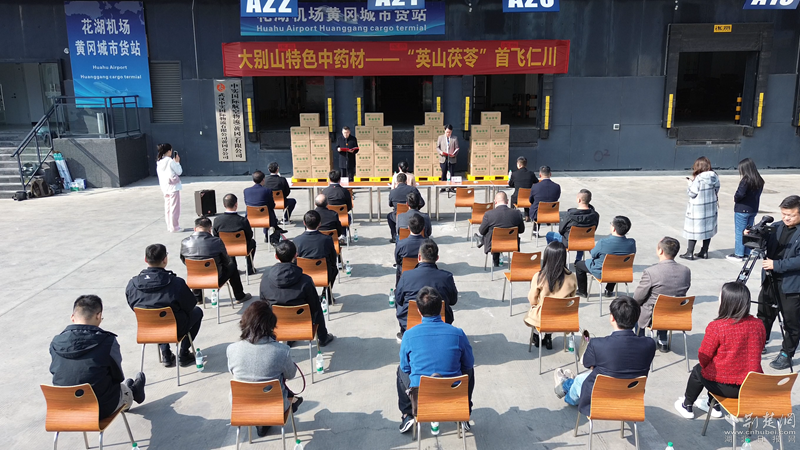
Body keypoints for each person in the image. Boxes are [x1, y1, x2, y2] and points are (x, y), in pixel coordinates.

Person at [674, 282, 765, 419]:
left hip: (724, 387)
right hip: (750, 386)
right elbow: (759, 347)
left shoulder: (717, 326)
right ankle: (712, 404)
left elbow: (704, 356)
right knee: (716, 368)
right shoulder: (758, 324)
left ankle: (687, 405)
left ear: (726, 302)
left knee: (699, 370)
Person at [553, 297, 655, 417]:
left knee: (581, 379)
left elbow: (586, 363)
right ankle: (567, 383)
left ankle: (566, 386)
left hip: (599, 397)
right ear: (637, 318)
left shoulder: (598, 344)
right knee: (586, 378)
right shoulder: (649, 344)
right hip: (630, 398)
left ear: (612, 318)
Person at [50, 295, 146, 419]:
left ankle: (131, 390)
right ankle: (132, 392)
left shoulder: (55, 342)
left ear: (72, 317)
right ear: (98, 316)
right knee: (121, 390)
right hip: (99, 409)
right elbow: (117, 376)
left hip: (66, 409)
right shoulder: (107, 341)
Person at [396, 287, 474, 433]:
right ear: (441, 308)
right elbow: (468, 363)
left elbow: (405, 367)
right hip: (452, 392)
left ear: (419, 311)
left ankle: (408, 414)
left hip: (421, 395)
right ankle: (464, 411)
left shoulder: (409, 335)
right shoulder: (458, 334)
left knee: (400, 370)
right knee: (469, 370)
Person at [227, 301, 303, 437]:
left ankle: (261, 424)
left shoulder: (232, 349)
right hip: (273, 407)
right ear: (271, 324)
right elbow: (291, 374)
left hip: (241, 407)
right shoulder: (281, 351)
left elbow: (232, 371)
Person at [126, 243, 205, 367]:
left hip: (148, 328)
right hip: (174, 328)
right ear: (165, 260)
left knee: (155, 314)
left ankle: (166, 354)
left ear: (146, 259)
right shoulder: (176, 283)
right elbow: (190, 305)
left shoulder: (132, 284)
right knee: (197, 312)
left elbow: (133, 307)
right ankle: (184, 353)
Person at [259, 240, 335, 347]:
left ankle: (286, 339)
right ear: (296, 255)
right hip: (303, 326)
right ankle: (323, 338)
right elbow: (315, 308)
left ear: (276, 256)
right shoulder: (305, 281)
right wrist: (322, 335)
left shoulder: (265, 280)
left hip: (276, 327)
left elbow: (263, 307)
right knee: (316, 307)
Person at [756, 195, 800, 370]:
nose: (786, 218)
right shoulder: (776, 227)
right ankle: (760, 342)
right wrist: (753, 235)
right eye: (783, 214)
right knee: (764, 314)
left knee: (791, 321)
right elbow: (761, 243)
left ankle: (786, 353)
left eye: (791, 215)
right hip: (770, 280)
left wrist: (777, 265)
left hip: (792, 285)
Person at [632, 237, 692, 352]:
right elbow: (685, 288)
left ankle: (640, 340)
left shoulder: (651, 272)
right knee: (667, 302)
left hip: (654, 316)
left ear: (660, 251)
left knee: (635, 305)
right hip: (676, 314)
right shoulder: (686, 270)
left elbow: (638, 297)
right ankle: (662, 340)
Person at [395, 240, 458, 342]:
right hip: (441, 321)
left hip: (410, 321)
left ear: (419, 257)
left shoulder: (406, 276)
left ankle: (404, 332)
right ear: (437, 258)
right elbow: (453, 301)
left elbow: (399, 299)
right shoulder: (446, 277)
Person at [180, 217, 252, 304]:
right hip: (215, 278)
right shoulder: (217, 241)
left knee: (195, 267)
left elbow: (183, 260)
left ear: (195, 229)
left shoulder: (185, 242)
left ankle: (197, 297)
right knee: (232, 265)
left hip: (194, 278)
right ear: (210, 229)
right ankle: (240, 296)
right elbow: (226, 260)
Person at [525, 242, 578, 349]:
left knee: (534, 311)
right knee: (553, 310)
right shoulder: (572, 276)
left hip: (543, 316)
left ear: (547, 257)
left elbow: (532, 298)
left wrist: (535, 305)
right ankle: (548, 337)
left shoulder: (539, 276)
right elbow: (572, 297)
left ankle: (536, 335)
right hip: (562, 315)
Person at [575, 216, 636, 298]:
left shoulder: (603, 242)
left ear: (614, 229)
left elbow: (593, 254)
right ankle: (609, 290)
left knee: (579, 265)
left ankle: (582, 291)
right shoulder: (631, 243)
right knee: (617, 263)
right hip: (620, 272)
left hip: (602, 272)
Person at [293, 210, 339, 302]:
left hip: (303, 274)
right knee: (334, 269)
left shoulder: (297, 240)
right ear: (319, 224)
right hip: (324, 274)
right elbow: (333, 258)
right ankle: (327, 294)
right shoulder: (327, 239)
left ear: (304, 223)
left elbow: (294, 261)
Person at [681, 156, 720, 260]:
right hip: (710, 207)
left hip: (697, 209)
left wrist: (690, 184)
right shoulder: (714, 176)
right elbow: (717, 189)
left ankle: (689, 252)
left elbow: (692, 193)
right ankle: (704, 251)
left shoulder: (698, 178)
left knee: (693, 230)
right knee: (708, 229)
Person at [546, 189, 599, 263]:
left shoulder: (569, 215)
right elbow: (594, 229)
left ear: (579, 200)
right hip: (585, 241)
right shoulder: (595, 215)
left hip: (569, 242)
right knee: (582, 234)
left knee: (549, 235)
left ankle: (553, 259)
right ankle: (578, 260)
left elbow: (561, 230)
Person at [727, 158, 765, 261]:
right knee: (749, 232)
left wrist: (735, 198)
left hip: (742, 209)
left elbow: (740, 194)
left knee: (740, 232)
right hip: (753, 209)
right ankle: (747, 253)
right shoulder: (759, 180)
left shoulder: (745, 180)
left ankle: (739, 254)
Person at [474, 191, 525, 267]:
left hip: (494, 245)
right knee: (493, 233)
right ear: (507, 201)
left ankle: (495, 260)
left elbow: (481, 231)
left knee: (490, 232)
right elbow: (521, 230)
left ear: (495, 201)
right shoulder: (517, 213)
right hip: (512, 244)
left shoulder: (489, 214)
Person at [212, 194, 256, 275]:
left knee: (225, 243)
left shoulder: (217, 220)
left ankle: (233, 269)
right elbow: (249, 235)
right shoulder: (243, 220)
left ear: (224, 205)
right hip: (242, 247)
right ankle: (249, 268)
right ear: (236, 204)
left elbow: (215, 236)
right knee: (252, 242)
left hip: (225, 249)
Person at [243, 170, 285, 244]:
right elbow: (272, 205)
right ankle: (272, 231)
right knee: (267, 210)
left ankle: (271, 231)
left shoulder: (246, 191)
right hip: (266, 218)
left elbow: (247, 203)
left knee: (265, 210)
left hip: (250, 218)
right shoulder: (267, 190)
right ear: (263, 180)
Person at [387, 173, 425, 243]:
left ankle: (394, 236)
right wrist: (415, 208)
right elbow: (422, 203)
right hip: (414, 215)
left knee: (389, 216)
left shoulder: (393, 192)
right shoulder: (413, 189)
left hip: (397, 216)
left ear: (397, 182)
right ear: (406, 181)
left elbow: (390, 204)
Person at [155, 143, 183, 232]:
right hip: (173, 187)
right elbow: (179, 172)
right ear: (168, 151)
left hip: (165, 187)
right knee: (175, 208)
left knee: (168, 208)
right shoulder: (170, 161)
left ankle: (170, 226)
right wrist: (177, 162)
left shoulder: (159, 162)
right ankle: (175, 227)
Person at [394, 215, 427, 286]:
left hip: (405, 271)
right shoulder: (428, 243)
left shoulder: (401, 243)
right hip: (424, 272)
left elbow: (397, 259)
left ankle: (398, 286)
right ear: (423, 228)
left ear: (408, 228)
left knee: (398, 266)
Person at [528, 165, 561, 234]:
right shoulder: (557, 186)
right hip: (552, 213)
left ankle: (535, 231)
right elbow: (556, 198)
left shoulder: (535, 186)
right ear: (550, 174)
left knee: (536, 206)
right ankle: (548, 221)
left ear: (540, 175)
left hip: (537, 214)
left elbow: (531, 200)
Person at [436, 124, 459, 191]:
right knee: (443, 172)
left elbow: (457, 148)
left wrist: (454, 154)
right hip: (443, 158)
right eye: (447, 132)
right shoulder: (440, 138)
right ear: (444, 130)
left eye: (449, 132)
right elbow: (437, 147)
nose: (448, 133)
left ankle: (452, 187)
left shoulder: (454, 138)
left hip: (451, 158)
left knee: (452, 173)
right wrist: (440, 152)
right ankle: (443, 187)